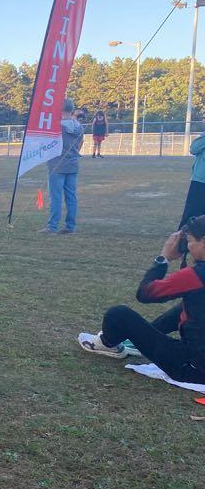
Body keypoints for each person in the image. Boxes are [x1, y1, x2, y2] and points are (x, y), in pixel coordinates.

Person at [78, 219, 205, 384]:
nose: (188, 246)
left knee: (119, 315)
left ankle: (107, 343)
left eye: (190, 241)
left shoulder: (196, 275)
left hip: (192, 368)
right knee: (188, 306)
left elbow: (145, 293)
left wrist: (163, 258)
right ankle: (137, 339)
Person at [41, 99, 84, 234]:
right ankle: (70, 227)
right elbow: (80, 143)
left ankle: (52, 227)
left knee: (55, 198)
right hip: (73, 165)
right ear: (72, 110)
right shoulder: (79, 126)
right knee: (71, 197)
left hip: (57, 165)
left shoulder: (56, 126)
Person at [179, 129, 205, 228]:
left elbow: (194, 149)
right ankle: (184, 237)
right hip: (200, 180)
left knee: (192, 214)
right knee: (192, 215)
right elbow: (194, 149)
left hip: (201, 181)